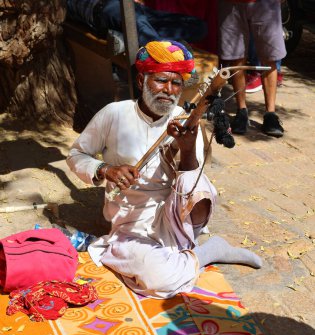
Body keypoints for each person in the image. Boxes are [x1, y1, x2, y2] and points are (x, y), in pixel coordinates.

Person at [67, 40, 262, 299]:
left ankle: (183, 245)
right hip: (132, 218)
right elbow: (76, 154)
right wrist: (106, 169)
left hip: (175, 212)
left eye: (176, 83)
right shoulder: (113, 114)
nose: (168, 90)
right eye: (161, 81)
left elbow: (191, 184)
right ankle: (209, 252)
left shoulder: (183, 118)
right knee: (160, 280)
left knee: (202, 185)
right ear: (141, 81)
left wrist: (188, 146)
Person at [218, 0, 287, 137]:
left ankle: (270, 114)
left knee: (269, 56)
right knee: (236, 56)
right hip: (231, 4)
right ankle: (241, 110)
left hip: (266, 4)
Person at [66, 0, 208, 47]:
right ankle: (171, 63)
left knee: (199, 27)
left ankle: (126, 36)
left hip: (135, 8)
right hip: (105, 8)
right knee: (149, 38)